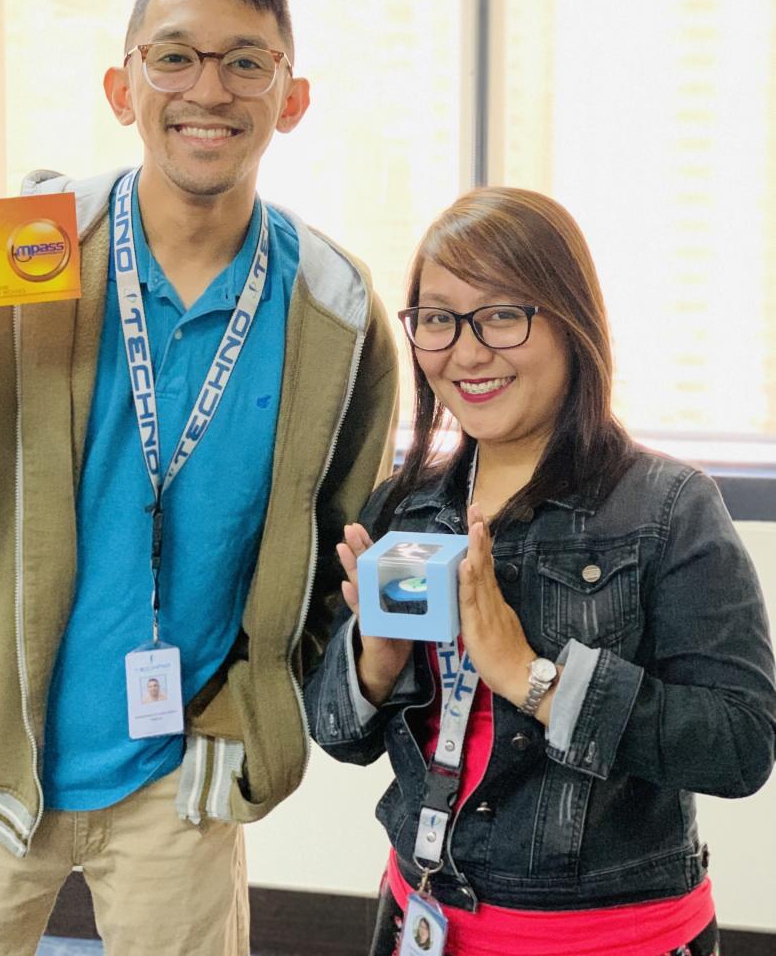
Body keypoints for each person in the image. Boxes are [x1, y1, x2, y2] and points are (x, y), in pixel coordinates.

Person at [0, 0, 398, 955]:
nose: (209, 89)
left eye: (247, 62)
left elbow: (340, 552)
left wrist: (262, 716)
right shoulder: (19, 253)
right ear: (124, 89)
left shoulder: (332, 308)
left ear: (291, 99)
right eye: (174, 57)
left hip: (183, 777)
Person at [305, 187, 776, 956]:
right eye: (438, 319)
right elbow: (340, 736)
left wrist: (535, 680)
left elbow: (740, 746)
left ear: (570, 322)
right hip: (419, 920)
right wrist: (374, 664)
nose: (466, 352)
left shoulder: (668, 508)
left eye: (500, 315)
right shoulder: (408, 507)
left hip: (614, 939)